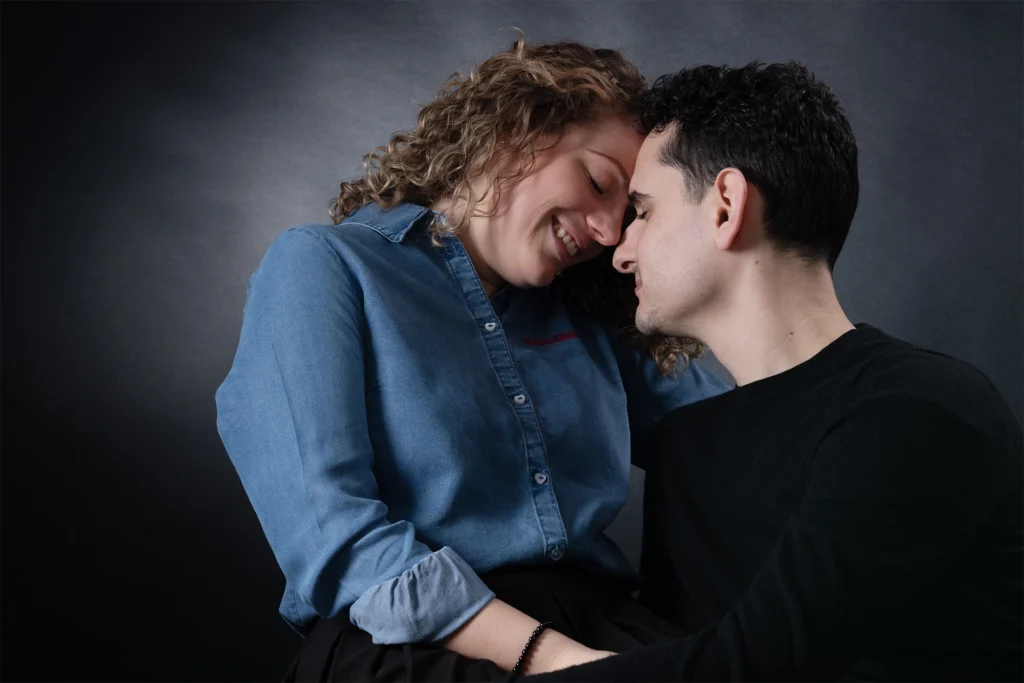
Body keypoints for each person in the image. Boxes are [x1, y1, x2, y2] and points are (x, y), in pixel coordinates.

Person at [214, 36, 729, 682]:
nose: (604, 231)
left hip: (597, 621)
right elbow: (336, 539)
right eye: (598, 181)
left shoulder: (593, 314)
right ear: (520, 128)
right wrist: (561, 661)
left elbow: (734, 435)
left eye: (626, 214)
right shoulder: (323, 267)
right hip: (404, 646)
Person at [521, 61, 1024, 682]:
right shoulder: (686, 445)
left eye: (644, 212)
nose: (620, 252)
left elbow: (753, 666)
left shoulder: (919, 410)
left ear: (727, 206)